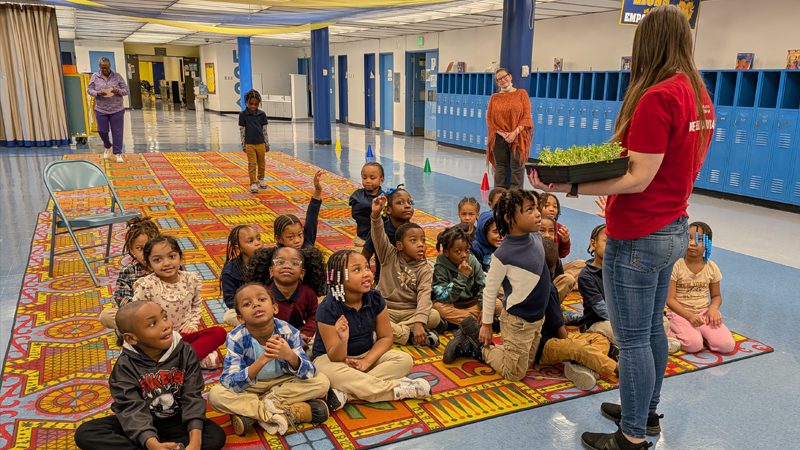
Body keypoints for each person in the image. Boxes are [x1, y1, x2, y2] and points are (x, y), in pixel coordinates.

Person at [530, 6, 715, 448]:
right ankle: (644, 413)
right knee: (651, 327)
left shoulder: (658, 96)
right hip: (673, 226)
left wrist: (568, 185)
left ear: (645, 44)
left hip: (638, 233)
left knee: (632, 340)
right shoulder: (698, 94)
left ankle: (631, 437)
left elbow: (637, 177)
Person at [74, 301, 226, 450]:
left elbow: (192, 396)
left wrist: (195, 442)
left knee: (215, 436)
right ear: (132, 339)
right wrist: (150, 442)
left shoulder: (185, 351)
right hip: (139, 420)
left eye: (164, 317)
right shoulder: (125, 366)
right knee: (86, 433)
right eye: (152, 324)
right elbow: (131, 408)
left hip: (176, 419)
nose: (166, 325)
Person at [443, 190, 552, 382]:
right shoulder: (503, 255)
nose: (537, 213)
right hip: (518, 320)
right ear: (510, 218)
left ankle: (504, 350)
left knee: (528, 364)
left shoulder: (535, 235)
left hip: (537, 317)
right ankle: (475, 347)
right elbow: (490, 291)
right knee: (514, 374)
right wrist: (486, 324)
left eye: (536, 208)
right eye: (529, 210)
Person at [311, 250, 430, 410]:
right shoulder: (328, 307)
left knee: (404, 360)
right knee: (327, 372)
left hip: (365, 355)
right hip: (332, 360)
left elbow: (386, 337)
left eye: (367, 267)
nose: (367, 273)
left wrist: (366, 362)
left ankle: (347, 394)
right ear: (339, 278)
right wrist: (342, 340)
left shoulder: (374, 298)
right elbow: (336, 357)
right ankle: (398, 389)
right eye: (357, 270)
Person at [208, 283, 330, 436]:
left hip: (283, 384)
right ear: (240, 318)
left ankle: (257, 411)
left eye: (261, 299)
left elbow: (309, 373)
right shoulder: (236, 337)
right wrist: (261, 361)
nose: (256, 304)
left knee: (322, 382)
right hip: (252, 386)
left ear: (275, 308)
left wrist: (290, 356)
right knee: (215, 395)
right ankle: (282, 412)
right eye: (247, 304)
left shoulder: (288, 331)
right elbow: (229, 381)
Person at [132, 235, 227, 369]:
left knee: (219, 333)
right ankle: (187, 360)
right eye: (157, 260)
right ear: (149, 264)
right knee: (139, 349)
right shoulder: (147, 286)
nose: (166, 263)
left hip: (184, 335)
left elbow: (196, 305)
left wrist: (192, 325)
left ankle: (175, 362)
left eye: (171, 256)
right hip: (159, 339)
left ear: (180, 258)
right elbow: (136, 316)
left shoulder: (190, 279)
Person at [370, 196, 441, 346]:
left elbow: (424, 297)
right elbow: (378, 235)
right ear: (400, 245)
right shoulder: (388, 255)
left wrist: (420, 322)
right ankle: (409, 335)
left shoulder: (424, 270)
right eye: (414, 241)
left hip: (410, 312)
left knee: (434, 316)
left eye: (423, 240)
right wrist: (376, 215)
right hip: (386, 309)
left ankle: (393, 333)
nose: (421, 245)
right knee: (369, 315)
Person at [666, 222, 734, 354]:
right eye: (689, 238)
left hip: (703, 313)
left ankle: (700, 335)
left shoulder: (712, 267)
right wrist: (689, 316)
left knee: (727, 346)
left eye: (699, 239)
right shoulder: (676, 265)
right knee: (693, 345)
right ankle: (668, 332)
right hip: (679, 313)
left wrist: (713, 309)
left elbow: (716, 296)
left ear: (708, 244)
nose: (692, 243)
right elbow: (670, 300)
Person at [246, 246, 326, 347]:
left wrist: (306, 333)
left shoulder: (308, 293)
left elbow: (314, 316)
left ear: (302, 273)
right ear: (271, 271)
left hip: (300, 334)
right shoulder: (263, 294)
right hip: (270, 337)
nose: (287, 266)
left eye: (295, 263)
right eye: (280, 262)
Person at [432, 226, 501, 336]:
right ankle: (476, 323)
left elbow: (483, 287)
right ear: (446, 252)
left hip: (472, 303)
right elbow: (442, 297)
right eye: (458, 251)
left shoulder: (472, 261)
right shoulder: (441, 266)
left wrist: (484, 309)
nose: (464, 255)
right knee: (438, 308)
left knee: (497, 304)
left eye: (467, 250)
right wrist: (462, 277)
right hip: (453, 304)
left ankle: (465, 323)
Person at [99, 216, 160, 330]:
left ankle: (141, 334)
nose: (146, 252)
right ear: (132, 250)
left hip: (164, 313)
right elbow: (121, 297)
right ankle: (141, 332)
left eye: (150, 247)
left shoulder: (166, 266)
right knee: (106, 316)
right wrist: (139, 310)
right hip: (137, 315)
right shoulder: (128, 271)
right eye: (140, 248)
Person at [486, 68, 533, 189]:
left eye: (504, 77)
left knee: (517, 168)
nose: (502, 80)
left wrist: (514, 133)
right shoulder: (494, 98)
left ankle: (515, 199)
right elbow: (490, 119)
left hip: (518, 137)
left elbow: (526, 117)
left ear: (510, 77)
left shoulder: (521, 94)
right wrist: (503, 134)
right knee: (500, 168)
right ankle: (499, 198)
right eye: (499, 79)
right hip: (499, 137)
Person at [362, 184, 416, 282]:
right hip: (385, 281)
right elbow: (365, 256)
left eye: (410, 202)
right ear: (388, 210)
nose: (408, 206)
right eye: (400, 203)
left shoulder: (415, 231)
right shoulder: (380, 231)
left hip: (409, 280)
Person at [86, 57, 129, 162]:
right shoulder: (95, 76)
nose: (104, 70)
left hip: (117, 109)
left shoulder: (117, 76)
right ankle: (108, 146)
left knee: (117, 132)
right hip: (101, 109)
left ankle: (118, 153)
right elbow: (89, 89)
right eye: (102, 68)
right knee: (102, 130)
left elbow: (126, 91)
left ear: (110, 66)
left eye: (106, 68)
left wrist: (117, 90)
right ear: (99, 67)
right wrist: (97, 93)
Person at [221, 225, 264, 327]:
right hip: (246, 308)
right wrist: (249, 306)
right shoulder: (230, 271)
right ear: (238, 247)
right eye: (250, 241)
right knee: (229, 316)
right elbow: (230, 300)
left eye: (258, 238)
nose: (257, 243)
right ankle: (258, 325)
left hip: (266, 305)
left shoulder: (268, 261)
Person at [273, 170, 324, 249]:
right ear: (279, 239)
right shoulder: (277, 256)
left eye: (300, 235)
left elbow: (312, 217)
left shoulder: (307, 241)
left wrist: (318, 190)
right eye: (290, 237)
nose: (297, 240)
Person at [539, 217, 578, 302]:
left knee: (570, 277)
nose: (547, 235)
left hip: (547, 295)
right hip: (529, 299)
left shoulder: (554, 256)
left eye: (551, 231)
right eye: (541, 231)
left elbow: (558, 278)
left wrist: (565, 241)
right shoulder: (527, 253)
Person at [349, 162, 385, 253]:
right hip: (362, 239)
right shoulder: (357, 195)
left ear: (381, 180)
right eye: (364, 178)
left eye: (372, 178)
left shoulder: (385, 197)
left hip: (381, 239)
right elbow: (357, 212)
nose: (367, 181)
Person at [239, 89, 270, 193]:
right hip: (249, 144)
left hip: (261, 143)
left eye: (255, 104)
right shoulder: (243, 115)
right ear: (246, 102)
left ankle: (261, 179)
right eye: (250, 104)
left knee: (262, 163)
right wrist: (243, 144)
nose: (253, 106)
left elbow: (264, 131)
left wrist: (267, 143)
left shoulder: (262, 115)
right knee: (252, 163)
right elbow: (242, 131)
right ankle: (253, 183)